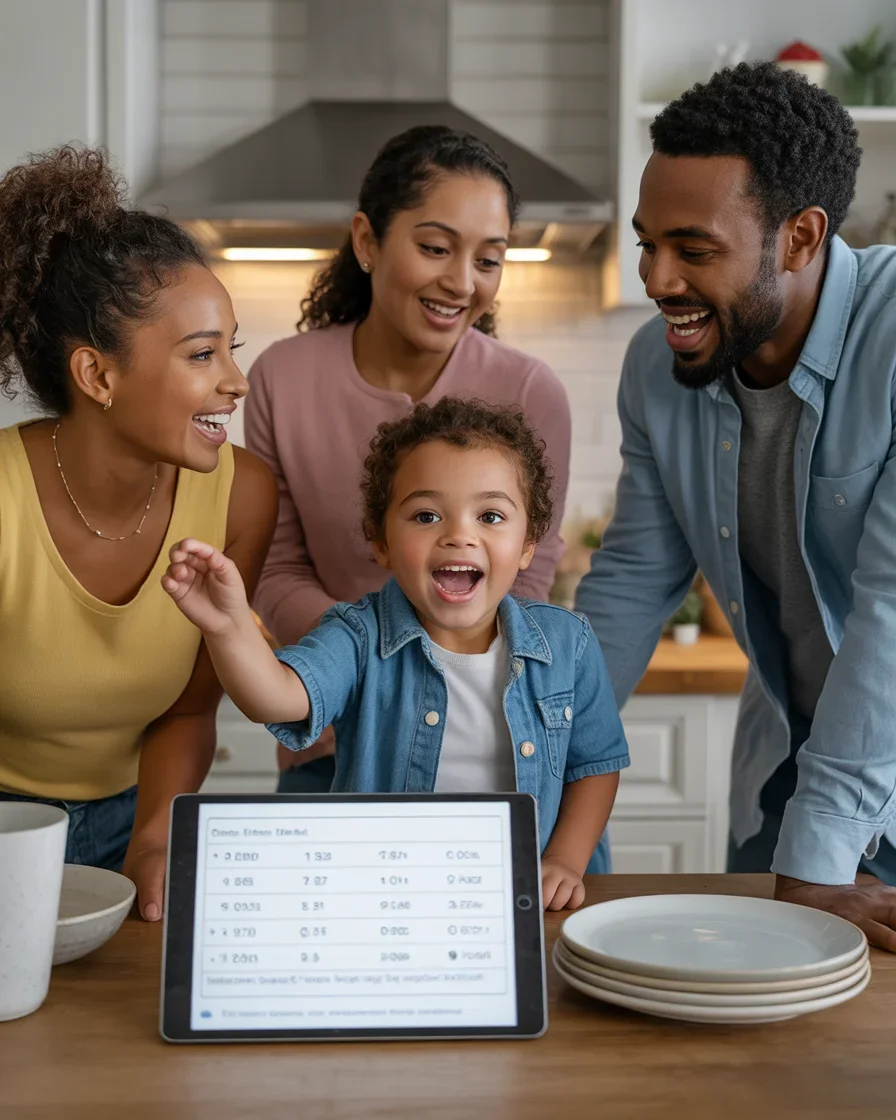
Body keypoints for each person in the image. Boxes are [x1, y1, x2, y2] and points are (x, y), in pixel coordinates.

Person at [575, 61, 896, 949]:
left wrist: (818, 864)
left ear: (800, 237)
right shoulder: (658, 368)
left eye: (694, 249)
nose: (656, 277)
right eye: (647, 243)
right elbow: (634, 580)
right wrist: (535, 761)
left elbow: (891, 614)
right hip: (786, 776)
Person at [164, 398, 629, 909]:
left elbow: (595, 765)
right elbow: (276, 699)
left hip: (522, 895)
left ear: (527, 545)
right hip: (385, 897)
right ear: (381, 541)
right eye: (427, 515)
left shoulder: (569, 645)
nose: (459, 535)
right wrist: (228, 624)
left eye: (491, 515)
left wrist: (564, 859)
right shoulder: (356, 636)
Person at [244, 125, 572, 801]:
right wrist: (363, 668)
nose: (462, 282)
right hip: (332, 729)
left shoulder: (531, 392)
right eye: (434, 248)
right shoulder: (282, 377)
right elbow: (275, 569)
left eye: (489, 259)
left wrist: (424, 671)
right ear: (367, 241)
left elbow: (529, 574)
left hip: (487, 738)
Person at [0, 146, 278, 921]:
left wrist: (153, 839)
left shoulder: (243, 495)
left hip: (137, 810)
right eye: (201, 355)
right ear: (96, 377)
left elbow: (189, 709)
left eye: (233, 348)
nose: (236, 381)